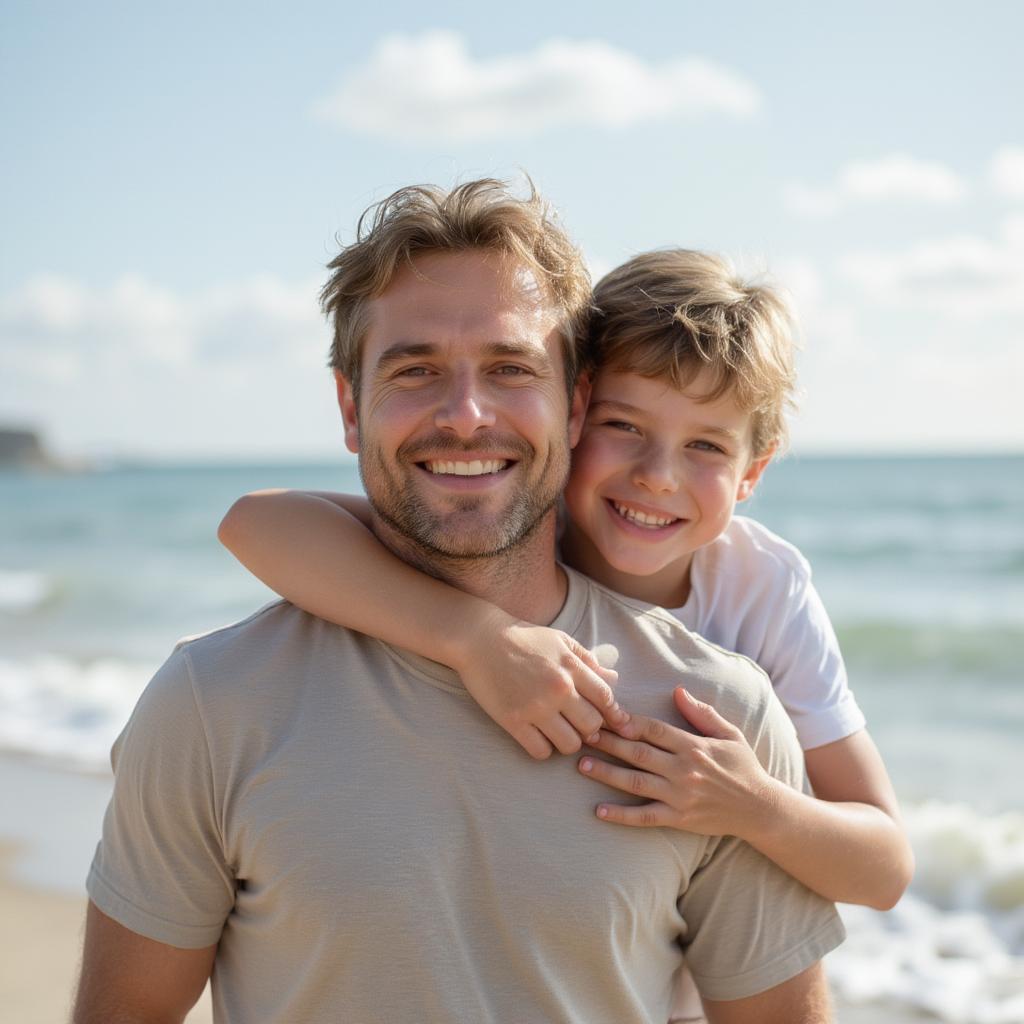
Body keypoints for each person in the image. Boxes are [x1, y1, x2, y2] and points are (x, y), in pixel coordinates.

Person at [75, 179, 844, 1024]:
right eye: (416, 370)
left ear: (576, 402)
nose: (466, 415)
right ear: (348, 404)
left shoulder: (715, 725)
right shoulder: (211, 705)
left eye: (511, 368)